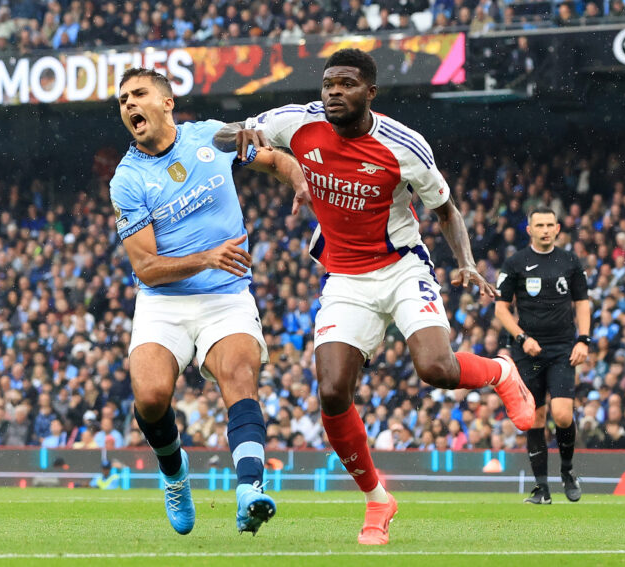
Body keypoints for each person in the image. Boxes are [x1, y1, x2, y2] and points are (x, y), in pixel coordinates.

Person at [215, 48, 535, 545]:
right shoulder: (295, 122)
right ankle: (377, 499)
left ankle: (500, 372)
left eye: (346, 84)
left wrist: (467, 263)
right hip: (345, 277)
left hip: (401, 266)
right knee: (332, 391)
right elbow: (220, 136)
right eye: (328, 84)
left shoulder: (404, 146)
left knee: (436, 369)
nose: (334, 92)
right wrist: (240, 134)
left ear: (370, 92)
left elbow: (445, 211)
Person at [110, 67, 308, 536]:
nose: (129, 104)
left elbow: (275, 160)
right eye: (122, 100)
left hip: (226, 296)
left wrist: (300, 182)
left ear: (167, 102)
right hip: (164, 302)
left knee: (239, 377)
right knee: (151, 398)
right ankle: (174, 473)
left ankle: (249, 490)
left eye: (138, 94)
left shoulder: (212, 138)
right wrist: (206, 257)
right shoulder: (127, 179)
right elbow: (146, 268)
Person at [495, 206, 590, 505]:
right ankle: (541, 488)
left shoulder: (570, 261)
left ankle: (568, 471)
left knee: (562, 414)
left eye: (550, 225)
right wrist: (522, 338)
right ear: (529, 230)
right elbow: (501, 309)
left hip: (562, 348)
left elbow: (582, 302)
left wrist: (583, 340)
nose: (546, 230)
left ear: (558, 228)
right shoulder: (515, 263)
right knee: (534, 417)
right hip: (528, 351)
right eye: (540, 225)